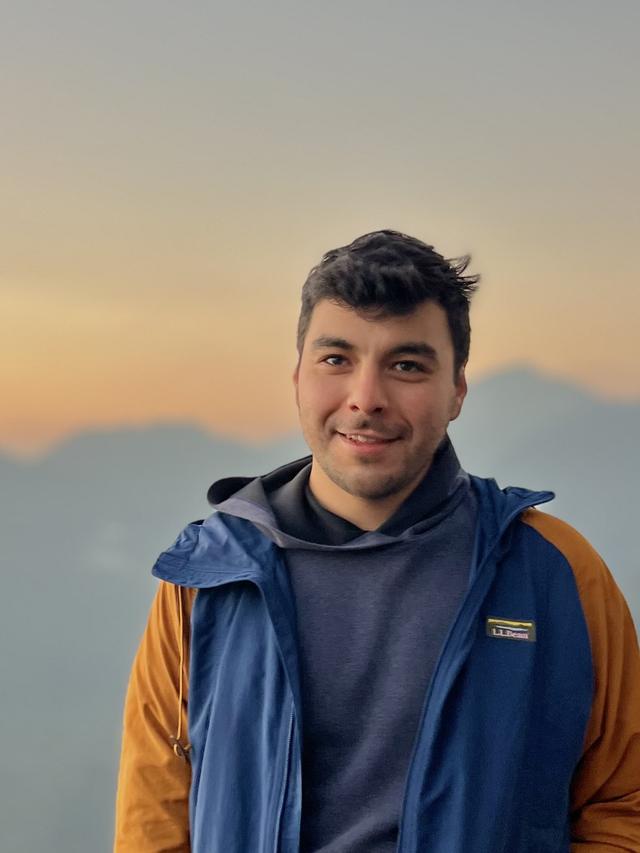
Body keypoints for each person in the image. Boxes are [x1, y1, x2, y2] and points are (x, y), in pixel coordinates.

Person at [113, 230, 640, 852]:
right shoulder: (210, 576)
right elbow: (155, 817)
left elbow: (621, 804)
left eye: (407, 365)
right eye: (336, 360)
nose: (366, 399)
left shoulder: (552, 572)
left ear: (458, 391)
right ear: (299, 377)